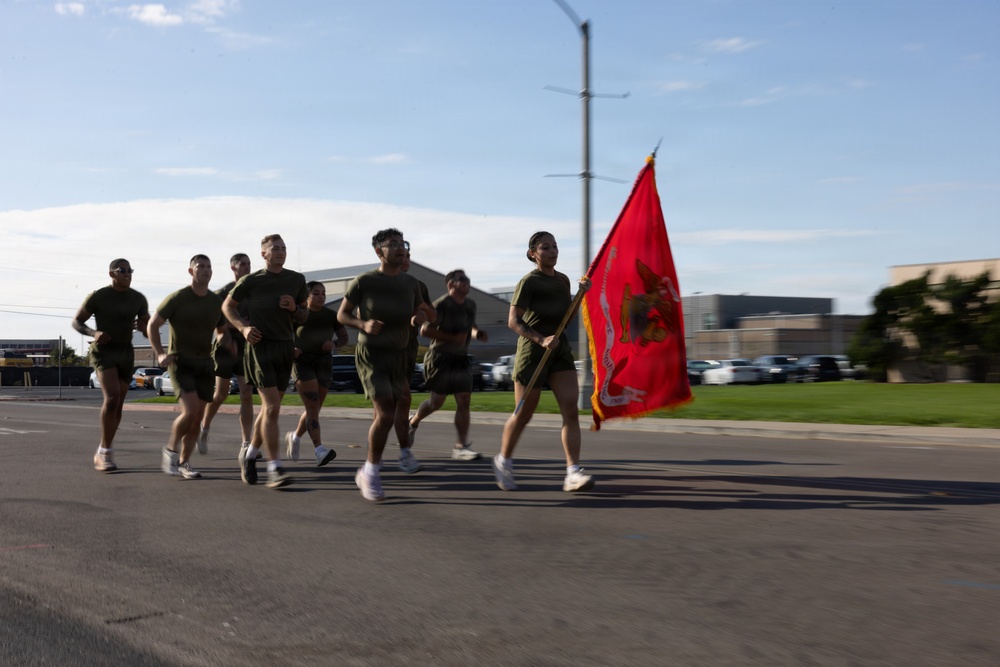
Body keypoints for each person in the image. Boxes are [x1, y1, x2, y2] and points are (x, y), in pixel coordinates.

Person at [492, 231, 594, 492]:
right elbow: (513, 321)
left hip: (559, 350)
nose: (552, 251)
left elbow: (566, 319)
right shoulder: (529, 281)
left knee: (570, 409)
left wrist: (580, 295)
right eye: (545, 247)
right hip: (533, 352)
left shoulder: (562, 281)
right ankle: (503, 460)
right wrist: (540, 340)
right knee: (524, 413)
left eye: (555, 246)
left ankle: (572, 471)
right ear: (533, 254)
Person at [337, 229, 429, 502]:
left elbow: (420, 311)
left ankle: (382, 463)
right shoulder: (364, 281)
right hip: (372, 354)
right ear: (379, 252)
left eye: (402, 244)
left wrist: (418, 318)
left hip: (400, 356)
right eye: (393, 245)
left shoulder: (410, 283)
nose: (400, 249)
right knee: (386, 412)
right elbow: (342, 314)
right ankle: (371, 472)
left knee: (395, 411)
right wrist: (362, 323)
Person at [223, 234, 308, 490]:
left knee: (269, 409)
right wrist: (243, 329)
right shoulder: (252, 280)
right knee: (271, 408)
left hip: (285, 348)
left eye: (283, 248)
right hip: (260, 347)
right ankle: (274, 467)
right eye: (275, 249)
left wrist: (294, 308)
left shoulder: (296, 280)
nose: (281, 252)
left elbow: (304, 316)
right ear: (264, 254)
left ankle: (249, 456)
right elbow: (228, 306)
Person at [147, 255, 228, 480]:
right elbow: (152, 325)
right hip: (180, 362)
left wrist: (223, 338)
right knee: (190, 411)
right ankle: (170, 451)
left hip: (205, 364)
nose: (205, 270)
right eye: (200, 266)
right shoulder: (178, 298)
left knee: (197, 417)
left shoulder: (215, 302)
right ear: (190, 271)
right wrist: (160, 353)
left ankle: (185, 462)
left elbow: (221, 329)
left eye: (209, 266)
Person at [72, 258, 150, 472]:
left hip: (126, 352)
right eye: (122, 270)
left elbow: (148, 327)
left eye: (130, 270)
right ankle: (105, 452)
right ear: (111, 274)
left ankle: (103, 449)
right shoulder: (99, 296)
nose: (127, 273)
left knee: (119, 403)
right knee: (112, 396)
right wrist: (94, 333)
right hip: (104, 352)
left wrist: (144, 328)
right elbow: (77, 321)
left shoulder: (138, 298)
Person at [408, 269, 489, 460]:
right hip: (440, 358)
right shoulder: (442, 305)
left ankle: (461, 446)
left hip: (460, 359)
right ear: (451, 285)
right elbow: (425, 330)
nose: (466, 281)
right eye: (461, 279)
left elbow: (471, 327)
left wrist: (478, 334)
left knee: (464, 400)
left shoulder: (470, 305)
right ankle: (413, 421)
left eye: (467, 278)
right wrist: (453, 338)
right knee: (437, 402)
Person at [285, 281, 347, 467]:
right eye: (316, 293)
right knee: (312, 408)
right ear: (307, 297)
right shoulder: (298, 315)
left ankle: (295, 437)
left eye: (323, 293)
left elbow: (344, 337)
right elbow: (283, 334)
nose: (321, 296)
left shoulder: (331, 316)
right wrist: (291, 348)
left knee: (315, 408)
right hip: (302, 361)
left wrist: (334, 344)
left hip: (324, 362)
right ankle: (319, 450)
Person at [198, 253, 254, 456]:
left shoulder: (254, 291)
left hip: (247, 347)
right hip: (226, 346)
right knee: (221, 394)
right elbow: (213, 322)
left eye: (249, 264)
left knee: (247, 395)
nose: (247, 267)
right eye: (243, 264)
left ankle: (246, 442)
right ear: (234, 268)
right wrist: (237, 325)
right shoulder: (223, 292)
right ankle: (204, 428)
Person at [392, 251, 436, 473]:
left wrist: (422, 313)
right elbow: (358, 311)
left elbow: (432, 315)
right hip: (384, 348)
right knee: (391, 401)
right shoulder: (376, 282)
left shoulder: (418, 285)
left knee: (401, 401)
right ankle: (399, 453)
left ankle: (400, 453)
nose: (406, 259)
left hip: (408, 347)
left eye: (408, 255)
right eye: (401, 255)